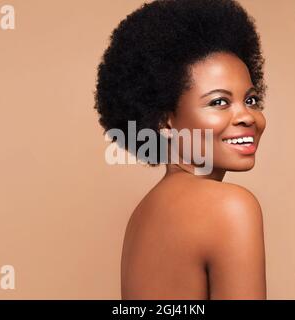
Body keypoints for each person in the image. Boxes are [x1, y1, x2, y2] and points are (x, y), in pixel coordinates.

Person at [94, 0, 267, 299]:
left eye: (250, 100)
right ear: (165, 121)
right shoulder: (231, 207)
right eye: (219, 102)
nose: (247, 116)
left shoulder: (144, 214)